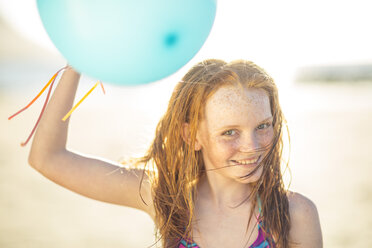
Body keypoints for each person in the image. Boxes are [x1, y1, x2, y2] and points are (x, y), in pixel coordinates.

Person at [28, 59, 323, 248]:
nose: (253, 145)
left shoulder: (294, 214)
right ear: (192, 136)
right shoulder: (167, 199)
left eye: (263, 126)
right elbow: (47, 158)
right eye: (230, 132)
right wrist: (75, 62)